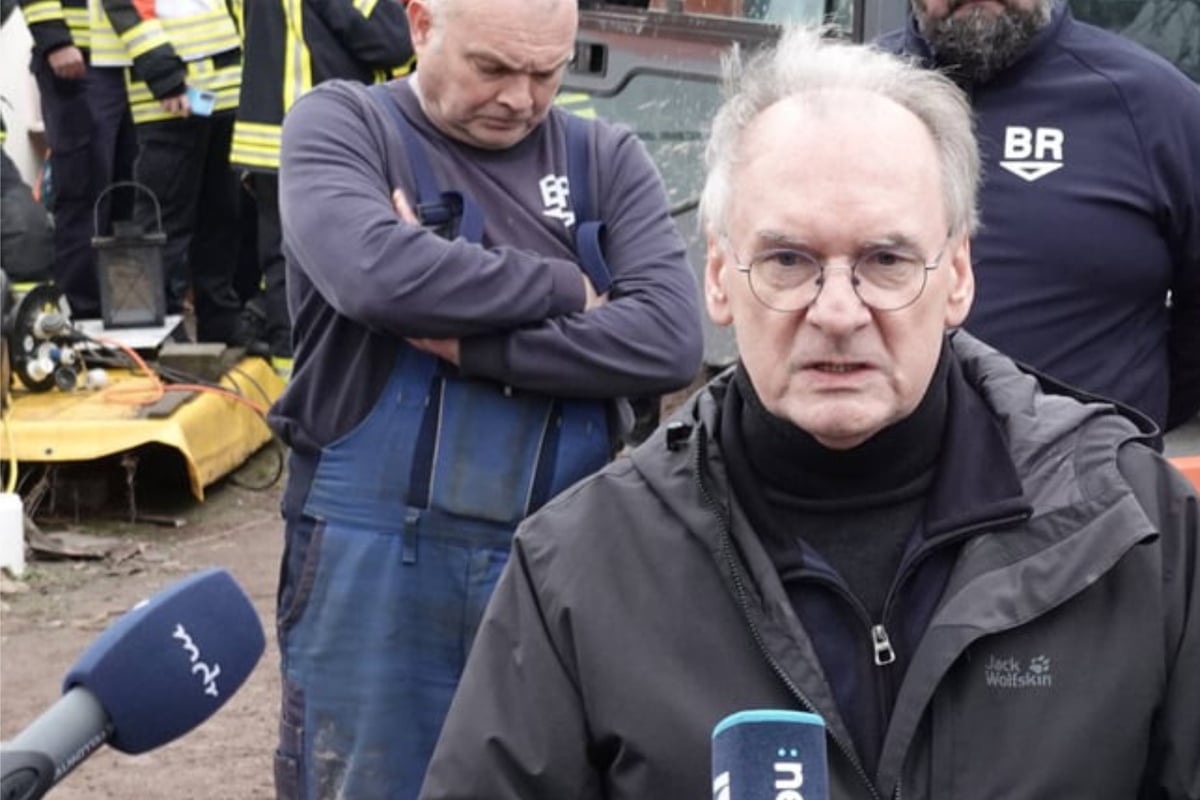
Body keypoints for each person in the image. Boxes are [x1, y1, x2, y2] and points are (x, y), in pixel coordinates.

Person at [419, 26, 1200, 799]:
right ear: (718, 277)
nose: (836, 311)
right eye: (789, 260)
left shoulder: (1136, 533)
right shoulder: (583, 570)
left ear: (957, 276)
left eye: (885, 261)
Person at [268, 0, 704, 795]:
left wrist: (470, 340)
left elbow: (669, 339)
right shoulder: (343, 128)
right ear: (421, 25)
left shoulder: (604, 157)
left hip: (562, 566)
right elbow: (376, 275)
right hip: (372, 577)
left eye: (546, 72)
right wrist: (570, 285)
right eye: (493, 68)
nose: (520, 98)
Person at [880, 0, 1200, 435]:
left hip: (1087, 491)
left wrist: (1119, 439)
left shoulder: (1157, 107)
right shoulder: (845, 98)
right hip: (874, 487)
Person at [230, 0, 415, 374]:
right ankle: (328, 386)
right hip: (328, 141)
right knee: (343, 264)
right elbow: (393, 42)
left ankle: (292, 386)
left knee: (283, 270)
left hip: (266, 139)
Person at [99, 0, 245, 343]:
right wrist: (163, 75)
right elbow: (127, 9)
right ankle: (157, 335)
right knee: (163, 226)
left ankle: (220, 329)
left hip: (226, 89)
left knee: (223, 219)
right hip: (172, 97)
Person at [16, 0, 136, 318]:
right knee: (85, 193)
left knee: (126, 198)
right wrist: (55, 39)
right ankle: (84, 319)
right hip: (79, 59)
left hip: (132, 56)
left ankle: (127, 315)